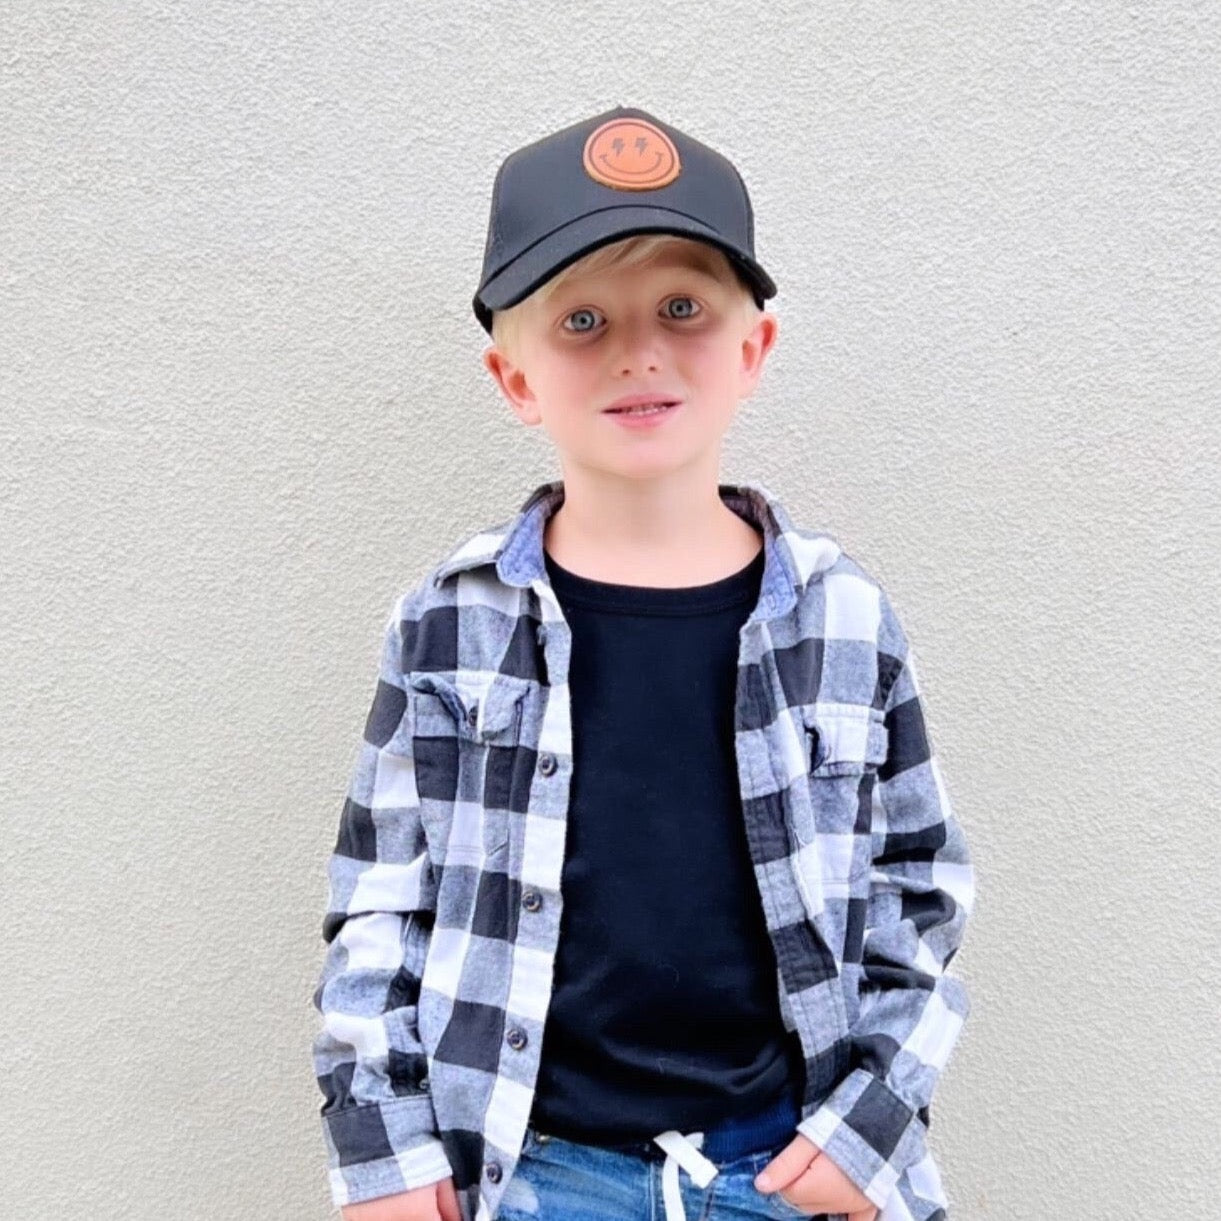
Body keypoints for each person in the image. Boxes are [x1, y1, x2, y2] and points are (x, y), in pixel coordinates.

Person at [311, 105, 975, 1221]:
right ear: (513, 380)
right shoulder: (450, 620)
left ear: (753, 348)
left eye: (682, 306)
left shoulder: (845, 617)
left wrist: (867, 1131)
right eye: (580, 320)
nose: (639, 350)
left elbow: (922, 885)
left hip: (789, 1166)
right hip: (535, 1171)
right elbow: (381, 898)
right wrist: (385, 1149)